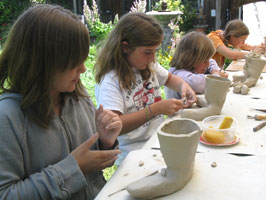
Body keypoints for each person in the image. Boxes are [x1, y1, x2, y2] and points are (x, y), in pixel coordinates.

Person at [0, 4, 122, 200]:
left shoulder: (79, 99)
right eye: (75, 61)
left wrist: (105, 142)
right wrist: (74, 168)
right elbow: (6, 194)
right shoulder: (7, 118)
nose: (83, 69)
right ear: (43, 62)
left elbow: (92, 165)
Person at [94, 12, 197, 165]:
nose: (153, 58)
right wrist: (155, 109)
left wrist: (184, 86)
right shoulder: (111, 80)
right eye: (148, 52)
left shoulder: (148, 64)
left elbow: (169, 79)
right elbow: (115, 126)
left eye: (155, 51)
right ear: (125, 47)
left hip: (157, 140)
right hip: (133, 154)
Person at [166, 31, 228, 99]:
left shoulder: (195, 66)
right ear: (192, 59)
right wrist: (217, 76)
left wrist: (215, 71)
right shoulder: (179, 75)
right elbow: (197, 84)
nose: (207, 64)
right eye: (205, 61)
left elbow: (211, 61)